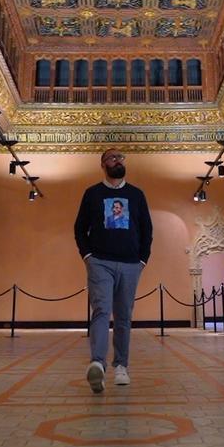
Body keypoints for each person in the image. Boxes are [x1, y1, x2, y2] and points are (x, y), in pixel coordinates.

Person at [74, 148, 153, 393]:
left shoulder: (136, 195)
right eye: (112, 158)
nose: (117, 160)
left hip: (131, 264)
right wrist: (88, 256)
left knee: (123, 317)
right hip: (100, 262)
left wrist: (142, 260)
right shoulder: (92, 194)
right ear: (103, 164)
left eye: (120, 157)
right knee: (101, 310)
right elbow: (79, 228)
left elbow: (147, 230)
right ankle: (97, 362)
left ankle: (121, 366)